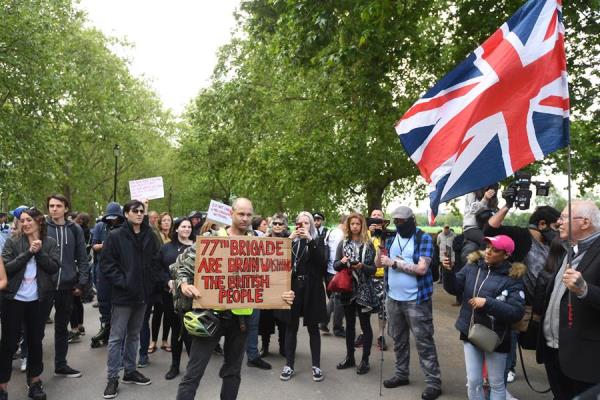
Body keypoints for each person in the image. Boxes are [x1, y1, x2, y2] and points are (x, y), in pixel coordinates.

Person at [174, 198, 295, 400]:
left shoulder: (258, 245)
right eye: (241, 214)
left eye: (249, 215)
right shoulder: (211, 239)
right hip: (208, 316)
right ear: (231, 213)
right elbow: (182, 267)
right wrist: (184, 284)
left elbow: (270, 280)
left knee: (232, 372)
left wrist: (282, 294)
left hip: (240, 321)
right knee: (194, 372)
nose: (245, 218)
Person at [442, 234, 525, 400]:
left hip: (496, 338)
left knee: (496, 384)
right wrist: (448, 272)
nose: (488, 252)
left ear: (506, 255)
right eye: (487, 247)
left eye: (495, 250)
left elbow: (516, 312)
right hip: (470, 331)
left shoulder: (513, 277)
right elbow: (454, 289)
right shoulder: (472, 266)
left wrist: (487, 303)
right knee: (473, 381)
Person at [377, 205, 442, 400]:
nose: (398, 224)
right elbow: (380, 263)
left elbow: (422, 269)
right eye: (395, 221)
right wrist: (381, 246)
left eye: (402, 221)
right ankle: (401, 374)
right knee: (399, 339)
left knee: (424, 342)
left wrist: (395, 263)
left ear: (411, 220)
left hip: (416, 300)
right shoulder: (390, 237)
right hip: (393, 297)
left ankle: (433, 383)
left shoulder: (423, 238)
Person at [537, 200, 600, 399]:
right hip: (554, 351)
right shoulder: (569, 250)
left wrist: (585, 290)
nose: (558, 222)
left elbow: (585, 292)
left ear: (585, 222)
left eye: (564, 217)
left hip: (584, 358)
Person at [100, 200, 161, 399]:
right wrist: (124, 282)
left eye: (142, 211)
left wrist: (150, 284)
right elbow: (107, 265)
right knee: (117, 337)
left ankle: (130, 371)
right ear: (126, 214)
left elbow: (155, 262)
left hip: (143, 295)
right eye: (135, 211)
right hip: (123, 295)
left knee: (134, 334)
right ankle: (112, 378)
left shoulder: (150, 236)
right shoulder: (115, 235)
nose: (139, 214)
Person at [0, 207, 60, 400]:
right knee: (8, 344)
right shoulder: (13, 241)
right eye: (22, 220)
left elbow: (53, 267)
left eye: (29, 220)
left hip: (38, 301)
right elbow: (6, 268)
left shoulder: (50, 243)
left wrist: (39, 251)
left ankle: (34, 382)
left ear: (39, 222)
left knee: (35, 342)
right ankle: (2, 386)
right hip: (13, 300)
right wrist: (28, 252)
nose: (25, 223)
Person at [45, 194, 90, 378]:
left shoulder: (75, 229)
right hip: (44, 285)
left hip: (67, 286)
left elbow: (83, 257)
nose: (54, 209)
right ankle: (32, 369)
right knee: (35, 330)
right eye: (51, 206)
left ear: (66, 208)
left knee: (62, 328)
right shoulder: (42, 227)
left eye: (58, 206)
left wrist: (82, 281)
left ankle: (61, 365)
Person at [279, 211, 327, 382]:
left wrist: (310, 240)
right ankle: (289, 365)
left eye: (306, 223)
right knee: (291, 327)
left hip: (312, 289)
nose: (303, 226)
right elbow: (278, 260)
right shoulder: (291, 242)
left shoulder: (317, 241)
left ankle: (316, 366)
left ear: (311, 225)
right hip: (293, 288)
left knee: (313, 327)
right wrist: (290, 239)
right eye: (300, 223)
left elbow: (322, 262)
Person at [334, 212, 377, 374]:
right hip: (347, 289)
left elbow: (373, 269)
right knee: (350, 325)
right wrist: (343, 262)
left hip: (364, 289)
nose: (355, 227)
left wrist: (362, 267)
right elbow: (336, 265)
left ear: (362, 225)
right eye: (352, 224)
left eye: (358, 224)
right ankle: (350, 357)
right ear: (348, 225)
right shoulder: (343, 243)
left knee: (365, 325)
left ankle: (365, 360)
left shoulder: (369, 244)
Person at [162, 218, 194, 380]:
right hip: (170, 296)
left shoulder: (197, 247)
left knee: (190, 331)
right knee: (176, 331)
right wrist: (167, 281)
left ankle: (193, 368)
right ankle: (174, 366)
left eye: (189, 226)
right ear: (176, 229)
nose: (187, 229)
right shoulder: (166, 248)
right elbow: (158, 268)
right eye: (183, 226)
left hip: (192, 297)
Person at [90, 202, 124, 348]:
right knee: (103, 300)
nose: (113, 220)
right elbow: (94, 245)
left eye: (115, 218)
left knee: (119, 301)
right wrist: (106, 245)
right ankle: (106, 327)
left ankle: (118, 330)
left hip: (119, 269)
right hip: (102, 269)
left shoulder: (124, 227)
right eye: (110, 218)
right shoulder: (100, 227)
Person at [259, 213, 289, 357]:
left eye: (280, 223)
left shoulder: (289, 240)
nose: (277, 226)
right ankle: (265, 346)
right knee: (265, 319)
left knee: (283, 319)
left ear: (285, 226)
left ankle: (283, 347)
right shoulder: (264, 240)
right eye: (275, 223)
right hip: (266, 283)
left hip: (283, 283)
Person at [319, 214, 346, 337]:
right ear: (345, 223)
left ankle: (324, 321)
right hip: (338, 271)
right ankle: (338, 327)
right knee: (339, 301)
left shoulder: (331, 231)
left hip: (329, 271)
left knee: (334, 298)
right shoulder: (341, 235)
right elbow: (340, 254)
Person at [367, 209, 390, 350]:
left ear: (383, 220)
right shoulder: (365, 234)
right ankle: (365, 333)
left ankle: (381, 335)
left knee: (383, 309)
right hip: (368, 276)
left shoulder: (388, 235)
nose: (376, 218)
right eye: (373, 216)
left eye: (379, 216)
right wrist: (369, 234)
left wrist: (382, 235)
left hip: (384, 277)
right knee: (365, 307)